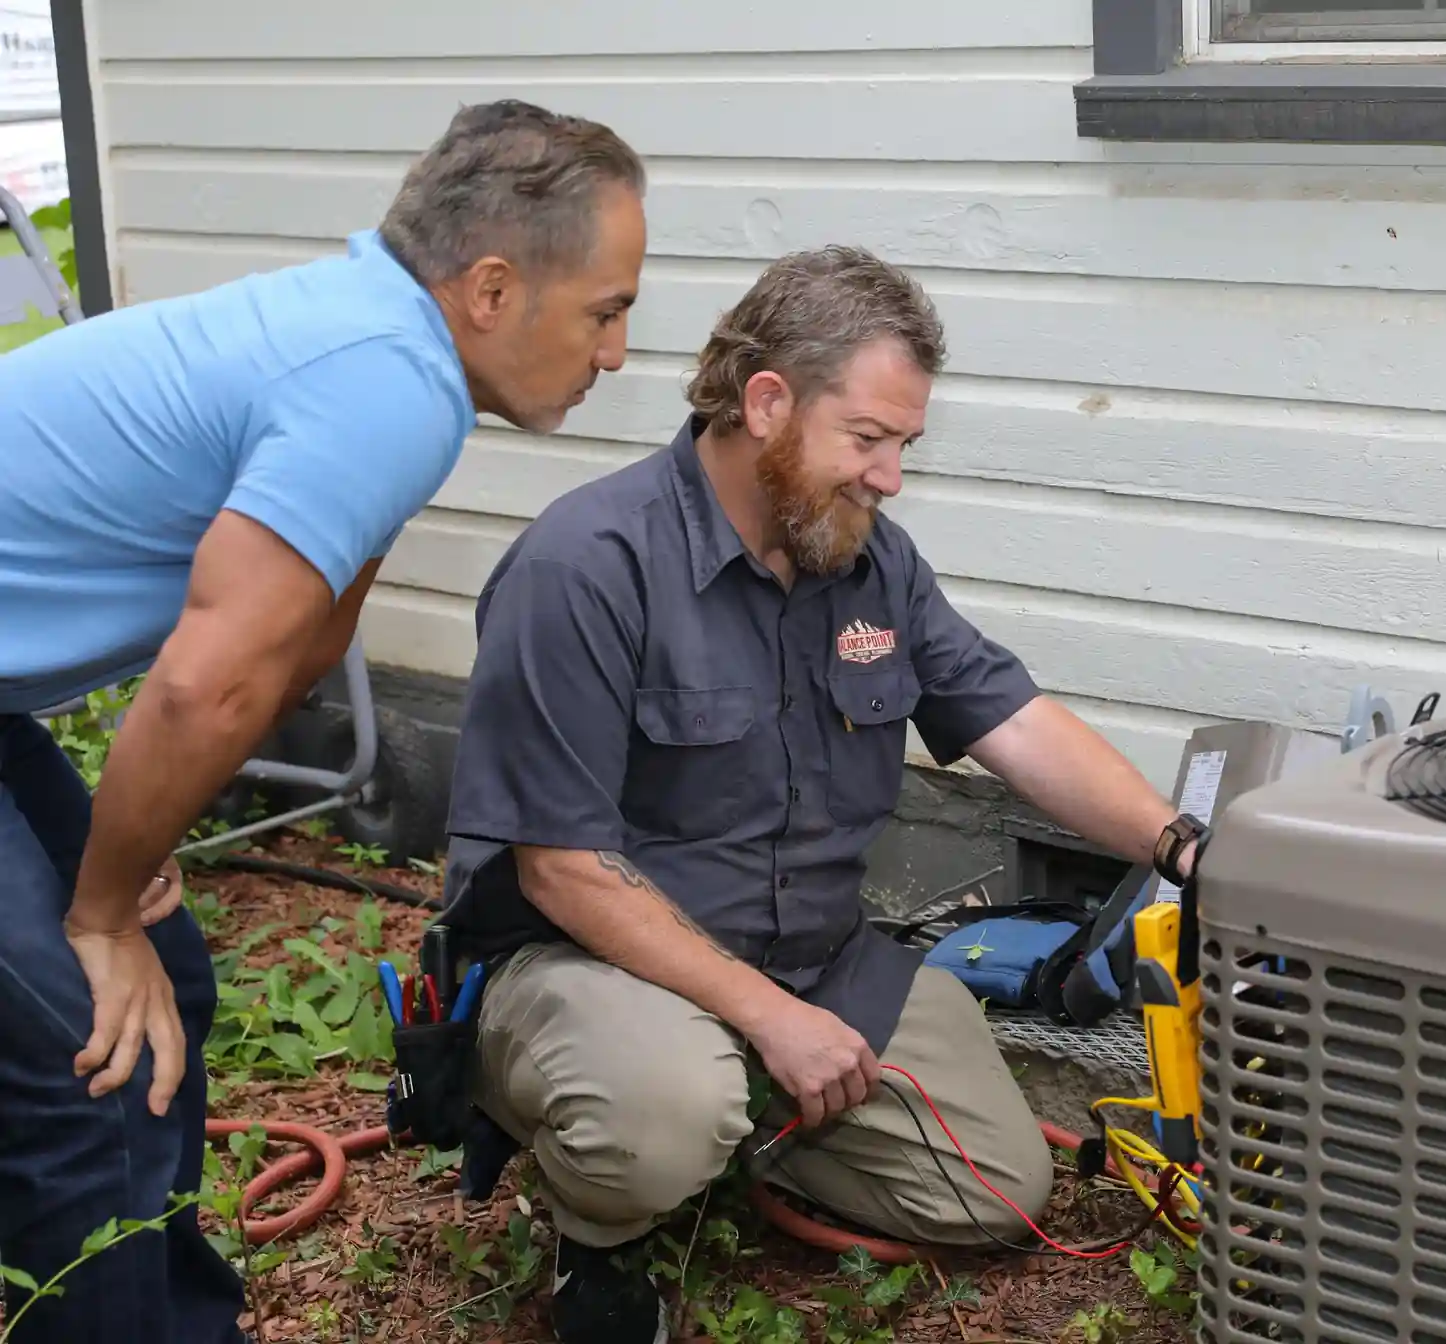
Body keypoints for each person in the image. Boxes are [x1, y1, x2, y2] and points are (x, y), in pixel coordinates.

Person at [434, 244, 1206, 1344]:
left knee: (995, 1190)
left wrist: (1182, 845)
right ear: (766, 402)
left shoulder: (869, 562)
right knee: (662, 1113)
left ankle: (736, 1125)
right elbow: (560, 865)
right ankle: (600, 1229)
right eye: (869, 439)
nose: (890, 475)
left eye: (905, 446)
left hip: (814, 960)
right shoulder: (587, 566)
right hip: (589, 966)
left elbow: (1015, 725)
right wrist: (766, 1020)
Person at [0, 100, 646, 1343]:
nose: (616, 352)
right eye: (607, 311)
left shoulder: (385, 347)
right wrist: (95, 904)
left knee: (163, 988)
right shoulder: (382, 384)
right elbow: (205, 685)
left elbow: (300, 648)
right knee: (86, 1055)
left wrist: (127, 868)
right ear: (494, 289)